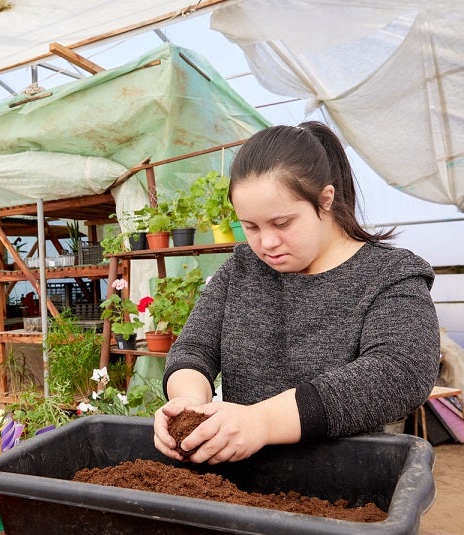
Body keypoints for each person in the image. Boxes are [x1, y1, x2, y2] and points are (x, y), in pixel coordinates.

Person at [153, 121, 440, 464]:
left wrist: (261, 422)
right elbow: (194, 349)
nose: (267, 243)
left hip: (341, 487)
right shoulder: (241, 270)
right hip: (238, 481)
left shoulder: (390, 275)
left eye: (282, 223)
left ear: (325, 200)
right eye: (251, 227)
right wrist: (188, 403)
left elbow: (399, 373)